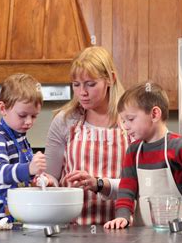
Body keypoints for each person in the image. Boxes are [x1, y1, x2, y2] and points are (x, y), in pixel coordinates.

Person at [104, 81, 182, 229]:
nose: (125, 126)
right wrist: (122, 217)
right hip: (143, 236)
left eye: (130, 119)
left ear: (154, 114)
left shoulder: (179, 146)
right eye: (123, 121)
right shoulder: (133, 151)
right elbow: (126, 189)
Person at [43, 46, 129, 225]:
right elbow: (51, 176)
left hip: (122, 226)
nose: (82, 92)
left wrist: (99, 183)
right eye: (76, 84)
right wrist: (47, 182)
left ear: (110, 79)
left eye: (90, 84)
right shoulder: (64, 121)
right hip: (70, 228)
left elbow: (139, 183)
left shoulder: (130, 121)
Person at [0, 73, 46, 225]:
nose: (29, 122)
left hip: (15, 215)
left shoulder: (21, 138)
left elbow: (21, 176)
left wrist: (38, 178)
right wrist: (29, 168)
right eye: (22, 115)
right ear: (3, 108)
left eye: (34, 116)